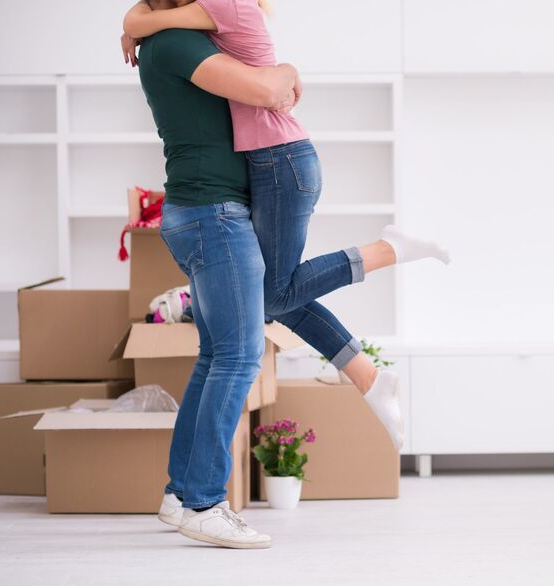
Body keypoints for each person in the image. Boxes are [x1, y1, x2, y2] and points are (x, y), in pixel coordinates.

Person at [123, 1, 450, 451]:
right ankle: (368, 375)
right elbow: (150, 15)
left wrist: (133, 29)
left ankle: (386, 254)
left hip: (281, 161)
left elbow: (149, 19)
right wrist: (135, 27)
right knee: (271, 294)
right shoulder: (202, 15)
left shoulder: (222, 5)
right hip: (272, 162)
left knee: (272, 295)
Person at [130, 9, 298, 548]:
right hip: (214, 215)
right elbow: (266, 88)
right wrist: (289, 70)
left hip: (202, 212)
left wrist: (133, 24)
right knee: (240, 356)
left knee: (216, 355)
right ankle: (205, 502)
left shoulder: (164, 35)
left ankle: (181, 494)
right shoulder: (178, 43)